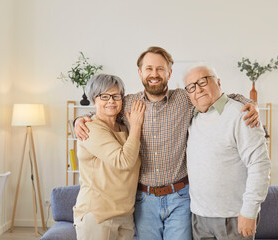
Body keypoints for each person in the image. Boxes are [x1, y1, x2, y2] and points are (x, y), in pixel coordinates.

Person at [74, 46, 260, 240]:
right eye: (148, 69)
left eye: (160, 69)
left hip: (180, 196)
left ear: (169, 72)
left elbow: (217, 97)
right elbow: (104, 111)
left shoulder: (184, 99)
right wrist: (79, 120)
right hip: (143, 200)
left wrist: (250, 103)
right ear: (140, 73)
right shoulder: (128, 104)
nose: (154, 74)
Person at [184, 63, 271, 240]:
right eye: (191, 87)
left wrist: (249, 211)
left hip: (234, 217)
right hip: (199, 218)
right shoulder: (192, 118)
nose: (198, 90)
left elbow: (260, 165)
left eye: (202, 82)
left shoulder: (241, 115)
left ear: (218, 82)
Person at [73, 74, 145, 240]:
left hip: (124, 214)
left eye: (115, 96)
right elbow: (124, 161)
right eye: (104, 96)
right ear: (94, 99)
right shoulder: (91, 128)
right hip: (97, 215)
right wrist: (136, 125)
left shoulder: (123, 127)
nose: (111, 101)